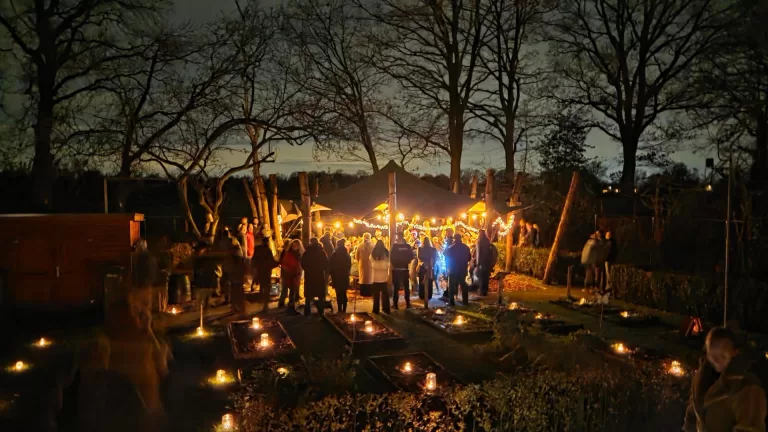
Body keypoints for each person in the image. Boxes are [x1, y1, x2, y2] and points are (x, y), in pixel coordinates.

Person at [683, 327, 767, 432]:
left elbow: (750, 428)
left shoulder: (746, 385)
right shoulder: (703, 380)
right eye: (713, 356)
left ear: (734, 352)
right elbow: (694, 411)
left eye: (722, 356)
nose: (717, 361)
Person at [301, 238, 329, 316]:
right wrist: (321, 269)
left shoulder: (307, 252)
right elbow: (326, 263)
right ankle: (321, 311)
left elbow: (302, 262)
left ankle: (307, 311)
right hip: (319, 275)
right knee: (320, 295)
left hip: (310, 275)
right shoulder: (321, 252)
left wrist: (307, 269)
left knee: (309, 294)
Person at [444, 233, 472, 306]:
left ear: (454, 239)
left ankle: (451, 301)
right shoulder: (466, 247)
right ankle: (465, 301)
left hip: (453, 269)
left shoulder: (451, 248)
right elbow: (469, 258)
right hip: (462, 269)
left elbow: (445, 255)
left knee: (452, 286)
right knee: (463, 284)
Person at [252, 241, 278, 313]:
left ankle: (261, 301)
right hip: (266, 270)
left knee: (262, 285)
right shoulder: (268, 250)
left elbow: (254, 260)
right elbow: (271, 261)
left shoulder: (257, 249)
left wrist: (255, 268)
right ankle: (265, 304)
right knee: (267, 286)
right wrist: (277, 263)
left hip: (260, 270)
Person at [391, 234, 415, 309]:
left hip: (396, 269)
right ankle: (408, 303)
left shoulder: (394, 247)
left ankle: (395, 304)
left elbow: (391, 257)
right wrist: (406, 262)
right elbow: (411, 256)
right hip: (405, 269)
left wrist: (395, 264)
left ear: (398, 237)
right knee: (406, 287)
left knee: (396, 288)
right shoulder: (407, 246)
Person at [279, 239, 303, 308]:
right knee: (285, 288)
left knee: (293, 290)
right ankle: (281, 303)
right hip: (287, 274)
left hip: (295, 275)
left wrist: (299, 271)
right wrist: (289, 270)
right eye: (293, 245)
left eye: (296, 245)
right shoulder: (288, 253)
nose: (294, 247)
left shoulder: (299, 254)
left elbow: (301, 264)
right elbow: (284, 263)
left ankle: (291, 304)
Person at [329, 238, 352, 313]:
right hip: (344, 275)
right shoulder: (347, 255)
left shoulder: (334, 255)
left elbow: (331, 266)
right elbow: (349, 265)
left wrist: (331, 274)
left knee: (338, 293)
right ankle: (344, 309)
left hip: (336, 276)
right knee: (344, 293)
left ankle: (339, 309)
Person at [474, 229, 496, 296]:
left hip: (481, 262)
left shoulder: (479, 241)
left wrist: (477, 263)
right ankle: (485, 290)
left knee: (480, 277)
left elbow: (478, 253)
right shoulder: (488, 241)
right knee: (486, 277)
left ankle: (481, 290)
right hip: (487, 262)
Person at [370, 240, 391, 314]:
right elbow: (389, 262)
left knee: (376, 295)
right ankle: (386, 309)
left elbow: (371, 260)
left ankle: (376, 310)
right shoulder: (386, 252)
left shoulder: (373, 252)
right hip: (384, 276)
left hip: (375, 276)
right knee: (385, 294)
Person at [418, 237, 437, 308]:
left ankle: (422, 295)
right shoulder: (433, 249)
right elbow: (435, 258)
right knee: (429, 281)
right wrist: (432, 263)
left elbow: (419, 257)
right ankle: (429, 295)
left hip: (423, 267)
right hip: (430, 267)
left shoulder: (420, 249)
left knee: (422, 281)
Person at [356, 233, 374, 297]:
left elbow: (357, 256)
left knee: (363, 278)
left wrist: (359, 262)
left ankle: (363, 292)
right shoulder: (373, 245)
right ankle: (369, 293)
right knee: (370, 278)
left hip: (362, 264)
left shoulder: (360, 245)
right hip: (370, 265)